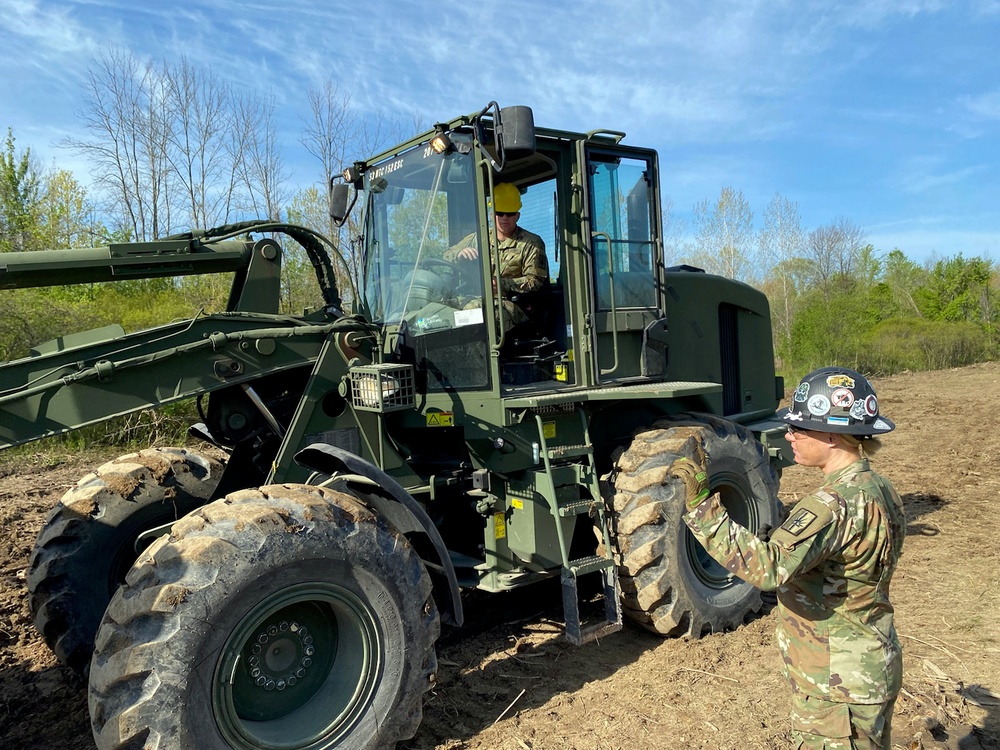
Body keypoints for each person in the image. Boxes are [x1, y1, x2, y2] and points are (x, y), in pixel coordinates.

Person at [671, 367, 905, 749]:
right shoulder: (879, 488)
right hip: (871, 666)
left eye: (800, 429)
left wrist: (700, 506)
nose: (790, 435)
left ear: (832, 436)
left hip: (836, 687)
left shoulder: (830, 506)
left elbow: (767, 569)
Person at [445, 182, 549, 330]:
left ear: (517, 216)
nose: (504, 218)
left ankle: (479, 353)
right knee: (442, 314)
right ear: (492, 214)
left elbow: (535, 281)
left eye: (510, 213)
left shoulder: (531, 242)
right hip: (479, 300)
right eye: (500, 213)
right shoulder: (478, 238)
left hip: (516, 307)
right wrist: (458, 254)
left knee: (475, 313)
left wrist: (502, 284)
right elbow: (446, 255)